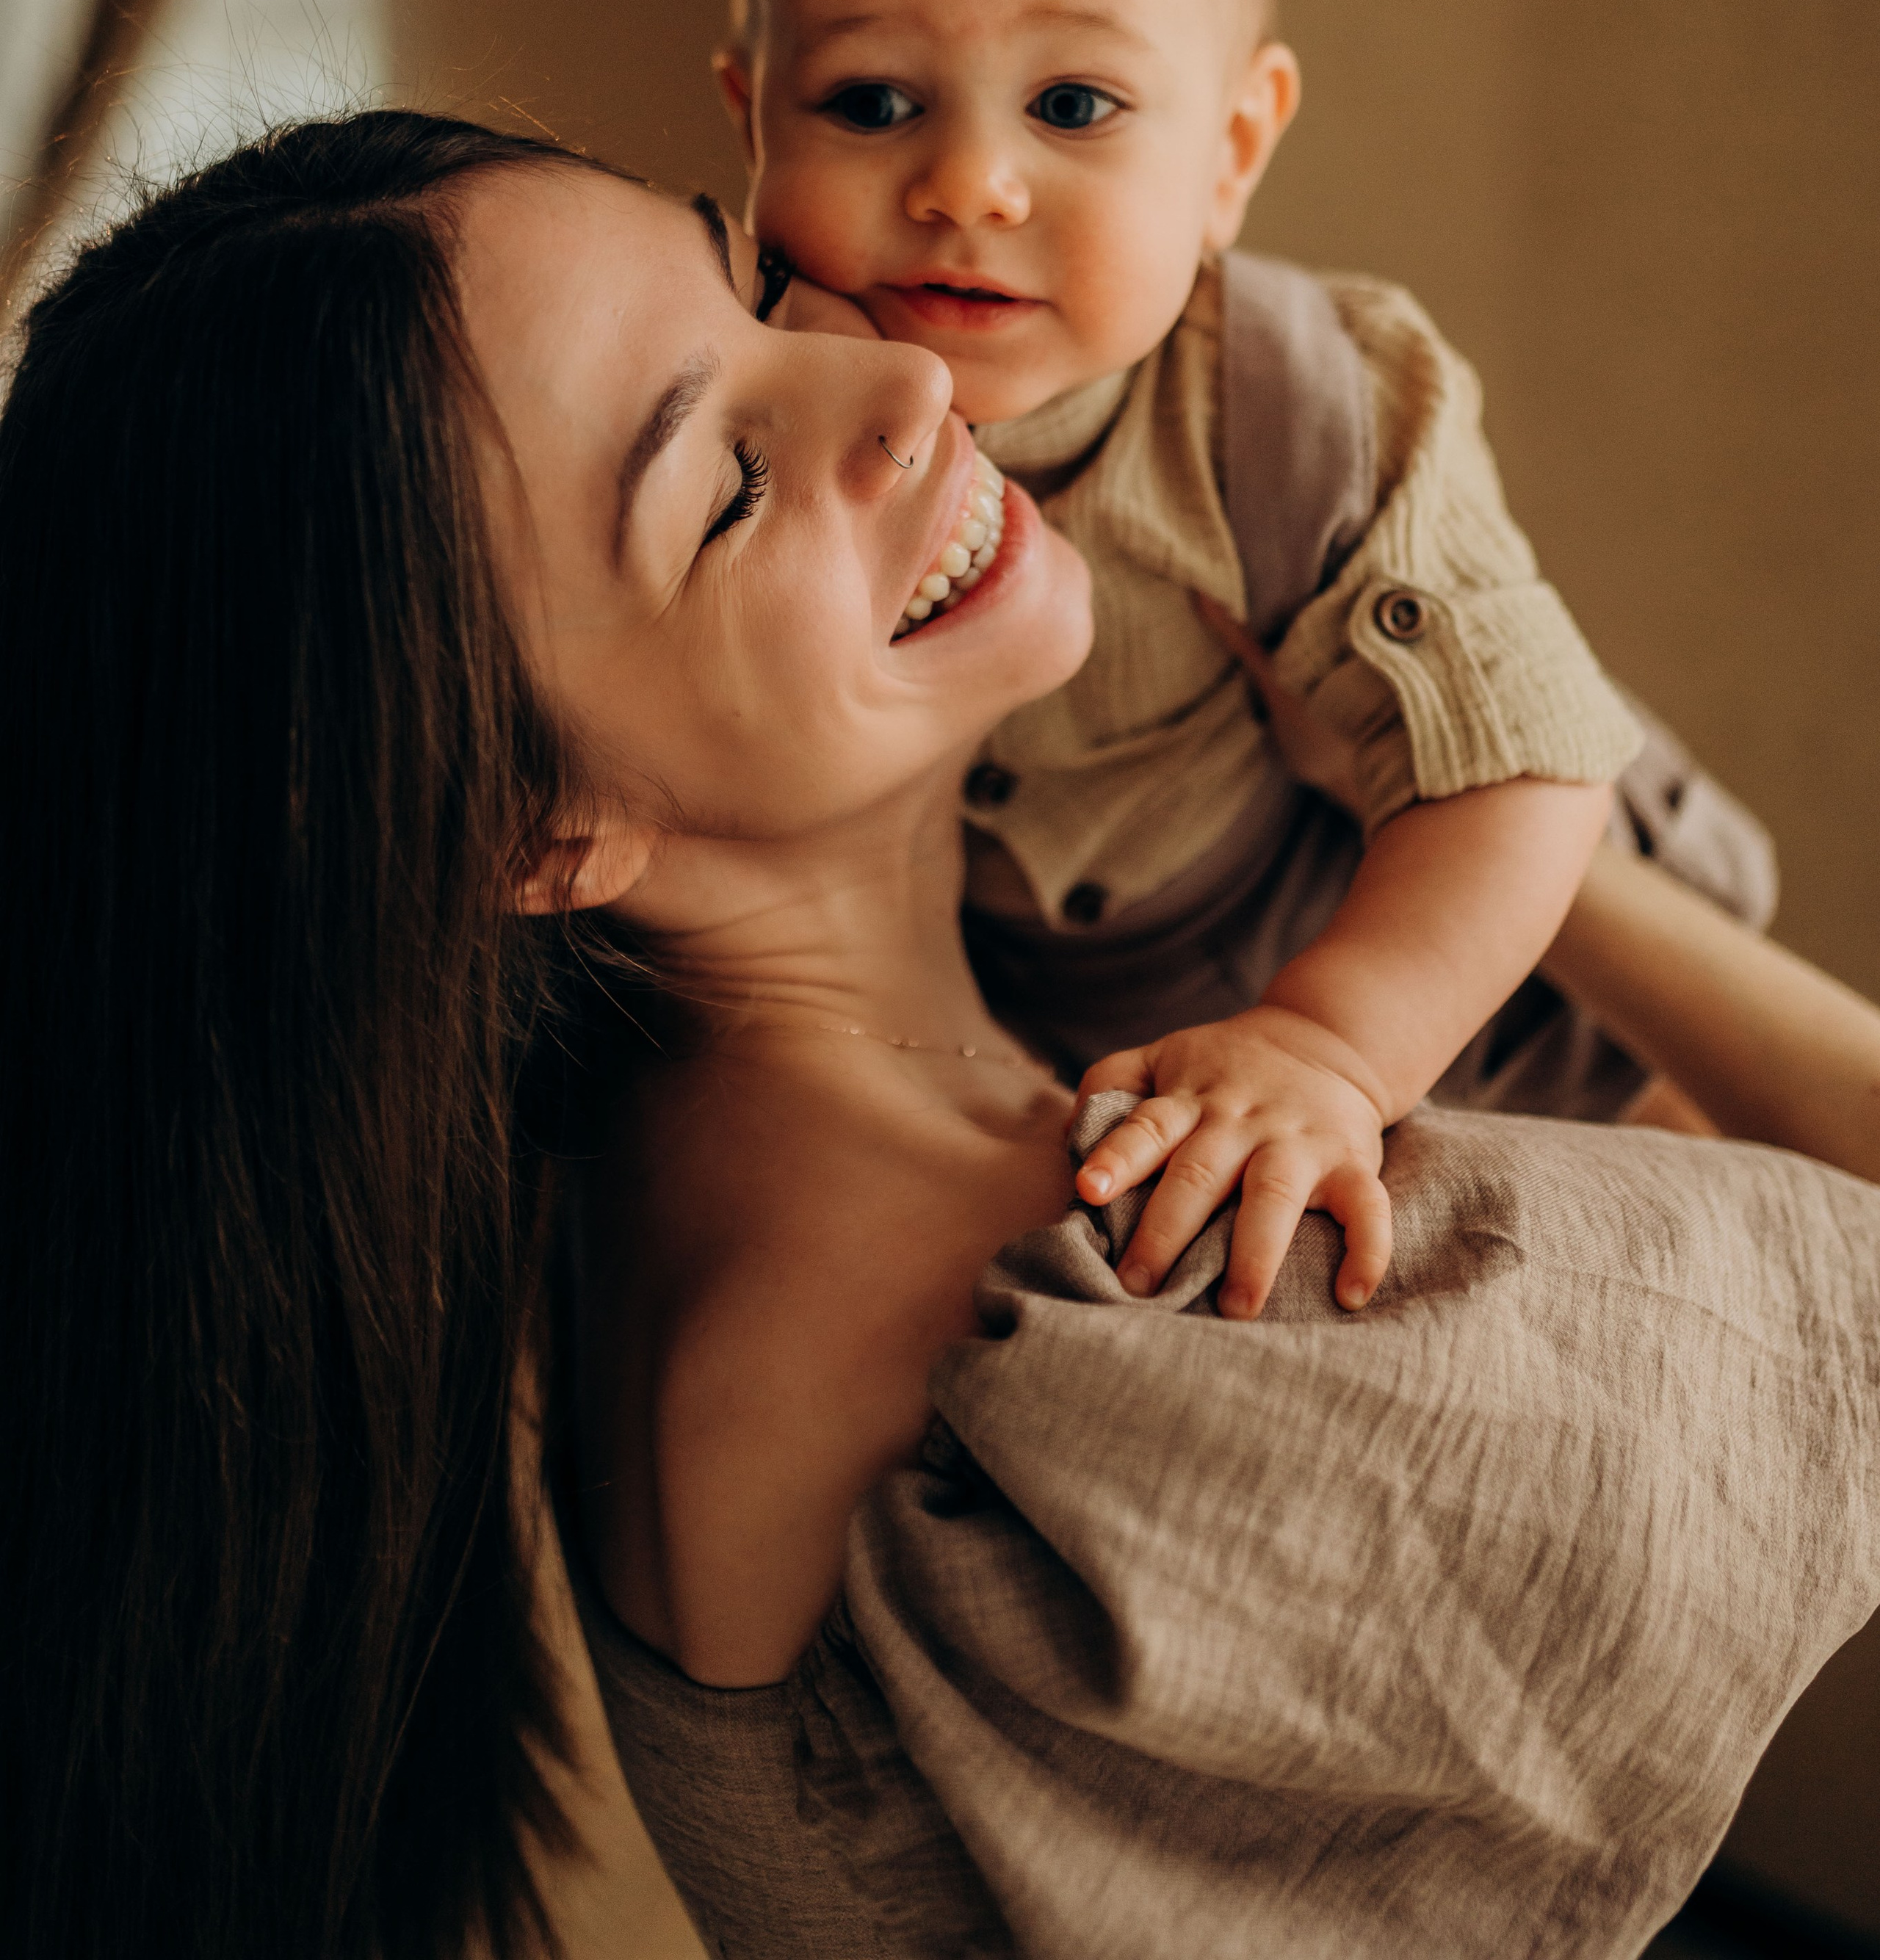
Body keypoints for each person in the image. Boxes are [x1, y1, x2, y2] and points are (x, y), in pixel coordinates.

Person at [6, 113, 1876, 1960]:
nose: (893, 371)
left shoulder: (645, 1218)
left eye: (753, 283)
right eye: (726, 482)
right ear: (533, 834)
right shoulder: (1128, 1277)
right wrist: (1493, 772)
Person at [709, 0, 1772, 1324]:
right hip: (1068, 1005)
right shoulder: (741, 395)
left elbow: (1521, 770)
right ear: (749, 118)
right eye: (868, 100)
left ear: (1227, 152)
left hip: (1412, 920)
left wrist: (1333, 1039)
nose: (966, 181)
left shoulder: (1304, 404)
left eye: (1071, 103)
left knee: (1677, 1205)